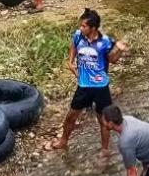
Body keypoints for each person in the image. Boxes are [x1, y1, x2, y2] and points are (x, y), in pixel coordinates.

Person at [44, 9, 128, 153]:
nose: (80, 28)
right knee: (70, 117)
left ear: (93, 28)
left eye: (84, 26)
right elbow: (73, 46)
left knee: (103, 120)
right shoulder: (78, 36)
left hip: (101, 87)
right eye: (80, 25)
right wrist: (70, 62)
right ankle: (63, 141)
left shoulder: (105, 41)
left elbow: (112, 60)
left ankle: (104, 150)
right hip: (83, 86)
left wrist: (119, 50)